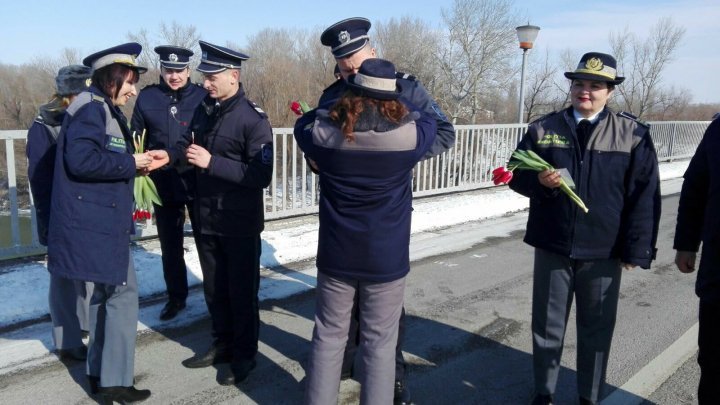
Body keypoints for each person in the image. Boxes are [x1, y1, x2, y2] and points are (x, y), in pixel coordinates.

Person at [508, 52, 661, 405]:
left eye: (595, 86)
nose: (585, 92)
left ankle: (589, 396)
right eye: (580, 84)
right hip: (553, 244)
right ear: (571, 87)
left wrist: (636, 249)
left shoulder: (632, 133)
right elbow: (515, 173)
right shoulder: (544, 128)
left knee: (596, 330)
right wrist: (539, 183)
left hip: (604, 250)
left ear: (609, 92)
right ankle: (543, 393)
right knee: (546, 327)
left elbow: (644, 196)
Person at [318, 17, 456, 404]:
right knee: (342, 320)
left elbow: (444, 133)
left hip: (386, 212)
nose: (351, 72)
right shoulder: (333, 93)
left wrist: (400, 159)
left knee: (382, 316)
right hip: (343, 215)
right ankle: (345, 366)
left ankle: (393, 379)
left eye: (357, 64)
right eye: (344, 67)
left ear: (373, 52)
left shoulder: (407, 87)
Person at [295, 57, 437, 405]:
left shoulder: (325, 134)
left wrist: (334, 107)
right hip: (385, 259)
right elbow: (432, 120)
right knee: (380, 343)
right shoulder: (409, 138)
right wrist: (405, 97)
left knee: (328, 337)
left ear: (352, 90)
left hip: (336, 254)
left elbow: (303, 124)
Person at [46, 42, 163, 404]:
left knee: (104, 295)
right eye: (129, 82)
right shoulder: (92, 111)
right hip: (95, 225)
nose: (133, 90)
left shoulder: (100, 108)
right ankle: (115, 380)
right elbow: (82, 160)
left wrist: (135, 159)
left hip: (97, 222)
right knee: (123, 295)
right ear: (112, 78)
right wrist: (133, 164)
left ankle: (99, 372)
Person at [167, 40, 273, 386]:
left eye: (213, 77)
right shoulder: (205, 109)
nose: (207, 83)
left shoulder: (253, 119)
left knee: (242, 292)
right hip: (207, 216)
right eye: (205, 76)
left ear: (233, 76)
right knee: (215, 289)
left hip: (238, 222)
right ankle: (222, 344)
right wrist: (168, 157)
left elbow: (261, 175)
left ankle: (245, 355)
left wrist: (213, 163)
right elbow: (187, 144)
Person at [131, 45, 207, 321]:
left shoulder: (202, 96)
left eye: (179, 70)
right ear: (161, 70)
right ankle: (176, 297)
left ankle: (214, 294)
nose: (174, 76)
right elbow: (136, 135)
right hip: (163, 182)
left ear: (188, 70)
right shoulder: (148, 98)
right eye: (168, 70)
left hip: (196, 180)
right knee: (170, 246)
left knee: (206, 241)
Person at [26, 64, 94, 361]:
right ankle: (67, 339)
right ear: (70, 93)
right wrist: (48, 222)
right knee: (64, 276)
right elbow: (40, 180)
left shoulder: (85, 116)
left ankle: (85, 325)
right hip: (61, 212)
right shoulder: (45, 125)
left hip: (86, 209)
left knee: (88, 272)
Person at [674, 117, 720, 404]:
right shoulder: (718, 130)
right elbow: (695, 188)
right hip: (719, 273)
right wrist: (686, 244)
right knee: (714, 362)